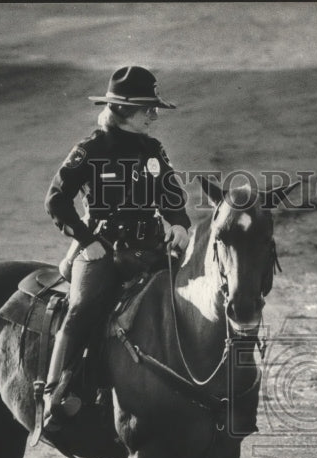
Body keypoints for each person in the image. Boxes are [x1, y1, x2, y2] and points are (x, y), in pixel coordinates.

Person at [43, 65, 192, 427]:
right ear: (124, 110)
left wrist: (180, 224)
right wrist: (86, 240)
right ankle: (54, 395)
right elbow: (56, 200)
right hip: (103, 250)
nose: (154, 116)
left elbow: (173, 198)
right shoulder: (90, 150)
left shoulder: (153, 150)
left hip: (151, 249)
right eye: (148, 109)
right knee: (81, 308)